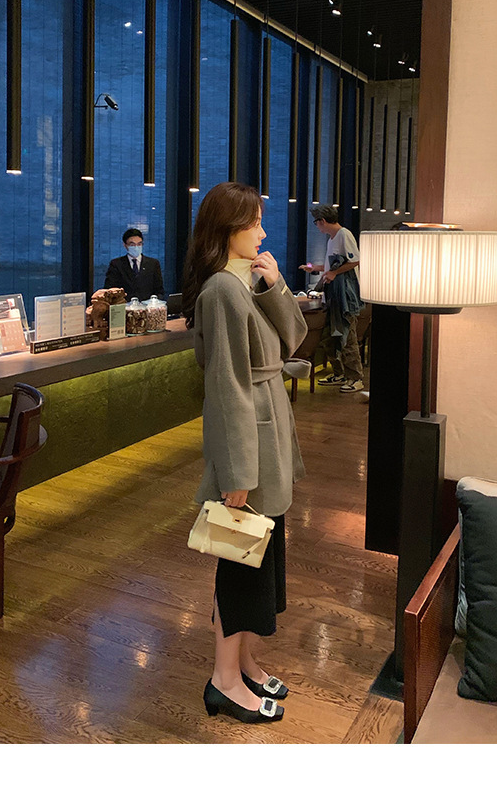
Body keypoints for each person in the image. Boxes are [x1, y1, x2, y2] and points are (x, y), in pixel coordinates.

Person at [181, 182, 307, 725]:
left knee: (258, 555)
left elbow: (294, 338)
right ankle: (224, 679)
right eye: (253, 222)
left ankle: (245, 662)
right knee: (239, 560)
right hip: (249, 440)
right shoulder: (221, 291)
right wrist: (236, 471)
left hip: (267, 427)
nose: (262, 231)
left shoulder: (247, 282)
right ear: (227, 228)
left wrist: (276, 285)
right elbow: (226, 386)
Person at [299, 205, 364, 392]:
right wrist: (316, 268)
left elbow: (355, 260)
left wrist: (334, 273)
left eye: (316, 223)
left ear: (322, 221)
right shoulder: (332, 239)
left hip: (345, 296)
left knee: (347, 337)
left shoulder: (344, 234)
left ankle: (355, 378)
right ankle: (340, 373)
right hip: (333, 295)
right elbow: (332, 266)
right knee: (331, 337)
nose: (317, 227)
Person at [104, 228, 165, 300]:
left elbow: (159, 290)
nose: (136, 247)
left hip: (147, 305)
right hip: (124, 305)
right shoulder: (116, 264)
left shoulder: (153, 264)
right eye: (132, 244)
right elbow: (110, 289)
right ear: (125, 245)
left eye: (139, 244)